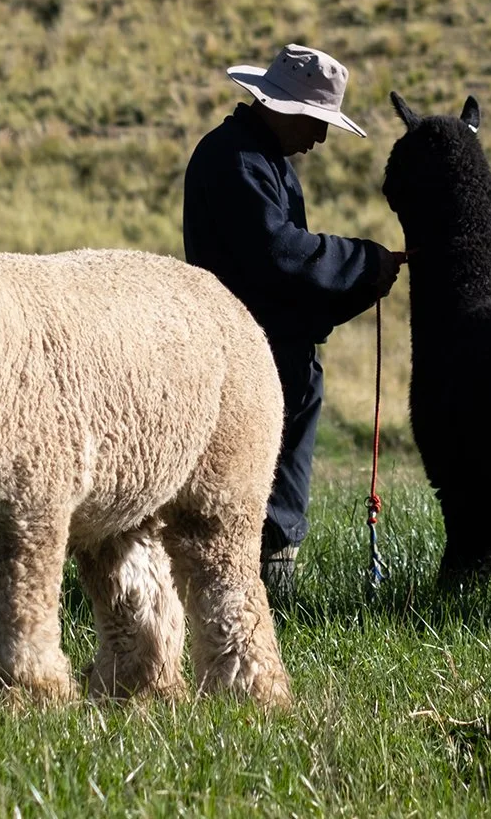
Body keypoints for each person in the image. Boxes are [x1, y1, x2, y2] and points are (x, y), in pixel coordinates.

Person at [182, 44, 403, 597]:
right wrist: (362, 263)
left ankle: (259, 589)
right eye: (315, 121)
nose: (321, 138)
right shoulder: (235, 161)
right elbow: (280, 255)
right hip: (253, 356)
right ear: (279, 108)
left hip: (269, 349)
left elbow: (287, 268)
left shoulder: (254, 159)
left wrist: (361, 277)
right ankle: (263, 596)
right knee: (253, 482)